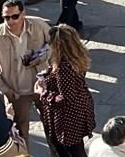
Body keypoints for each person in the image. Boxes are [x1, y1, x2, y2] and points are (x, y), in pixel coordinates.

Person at [35, 25, 94, 157]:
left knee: (68, 150)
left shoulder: (63, 68)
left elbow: (64, 98)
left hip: (67, 117)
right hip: (79, 107)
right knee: (77, 148)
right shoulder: (76, 57)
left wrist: (42, 92)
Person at [0, 0, 47, 145]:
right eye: (6, 17)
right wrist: (5, 89)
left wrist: (42, 57)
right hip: (16, 92)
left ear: (23, 14)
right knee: (21, 133)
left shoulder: (38, 25)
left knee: (52, 129)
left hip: (42, 86)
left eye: (14, 16)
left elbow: (55, 45)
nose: (10, 21)